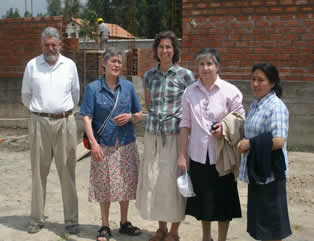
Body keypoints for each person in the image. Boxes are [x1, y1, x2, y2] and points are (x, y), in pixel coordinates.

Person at [177, 48, 244, 241]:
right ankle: (206, 237)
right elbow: (185, 124)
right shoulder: (190, 92)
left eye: (209, 64)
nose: (205, 68)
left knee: (224, 202)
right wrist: (182, 154)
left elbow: (240, 118)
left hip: (221, 156)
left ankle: (222, 238)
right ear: (197, 67)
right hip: (198, 155)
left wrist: (224, 129)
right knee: (203, 202)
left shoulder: (230, 91)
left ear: (217, 66)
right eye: (201, 64)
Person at [136, 30, 194, 241]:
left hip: (175, 135)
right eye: (161, 47)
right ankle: (160, 228)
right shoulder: (149, 75)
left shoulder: (185, 75)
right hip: (153, 134)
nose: (164, 50)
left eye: (168, 46)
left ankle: (174, 231)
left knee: (173, 181)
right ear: (156, 50)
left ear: (174, 50)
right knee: (156, 181)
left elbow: (190, 108)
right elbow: (150, 105)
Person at [21, 26, 80, 234]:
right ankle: (37, 219)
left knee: (68, 173)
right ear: (41, 45)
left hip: (65, 122)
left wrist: (60, 111)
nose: (50, 48)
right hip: (39, 123)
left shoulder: (70, 65)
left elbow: (76, 94)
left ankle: (71, 220)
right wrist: (42, 113)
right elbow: (25, 96)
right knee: (38, 173)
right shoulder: (32, 66)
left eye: (54, 44)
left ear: (60, 45)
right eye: (46, 45)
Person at [80, 47, 142, 241]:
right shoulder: (93, 88)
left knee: (125, 183)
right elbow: (87, 117)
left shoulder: (128, 87)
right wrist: (93, 143)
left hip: (126, 143)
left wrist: (131, 117)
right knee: (104, 185)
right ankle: (105, 225)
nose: (116, 65)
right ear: (104, 64)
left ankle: (124, 222)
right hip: (103, 144)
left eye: (119, 62)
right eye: (113, 61)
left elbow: (139, 114)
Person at [237, 63, 292, 241]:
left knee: (272, 225)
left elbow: (278, 140)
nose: (255, 84)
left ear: (272, 83)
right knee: (260, 223)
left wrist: (250, 145)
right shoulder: (256, 105)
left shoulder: (275, 106)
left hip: (270, 173)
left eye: (261, 80)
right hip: (257, 170)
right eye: (253, 79)